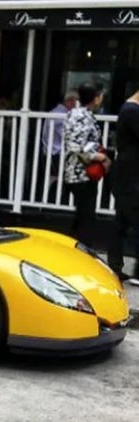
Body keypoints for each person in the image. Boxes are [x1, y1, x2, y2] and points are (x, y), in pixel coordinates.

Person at [63, 83, 110, 246]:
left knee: (82, 216)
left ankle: (73, 248)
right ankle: (81, 251)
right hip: (80, 174)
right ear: (95, 98)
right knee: (86, 218)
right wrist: (100, 158)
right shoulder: (80, 116)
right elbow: (77, 146)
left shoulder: (80, 114)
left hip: (82, 174)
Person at [108, 85, 139, 284]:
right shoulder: (132, 111)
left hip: (127, 176)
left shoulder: (129, 110)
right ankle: (135, 270)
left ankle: (115, 266)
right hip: (130, 177)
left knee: (121, 223)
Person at [42, 90, 79, 186]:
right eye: (77, 101)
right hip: (57, 156)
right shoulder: (61, 115)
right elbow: (69, 136)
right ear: (71, 101)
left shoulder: (57, 112)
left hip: (54, 155)